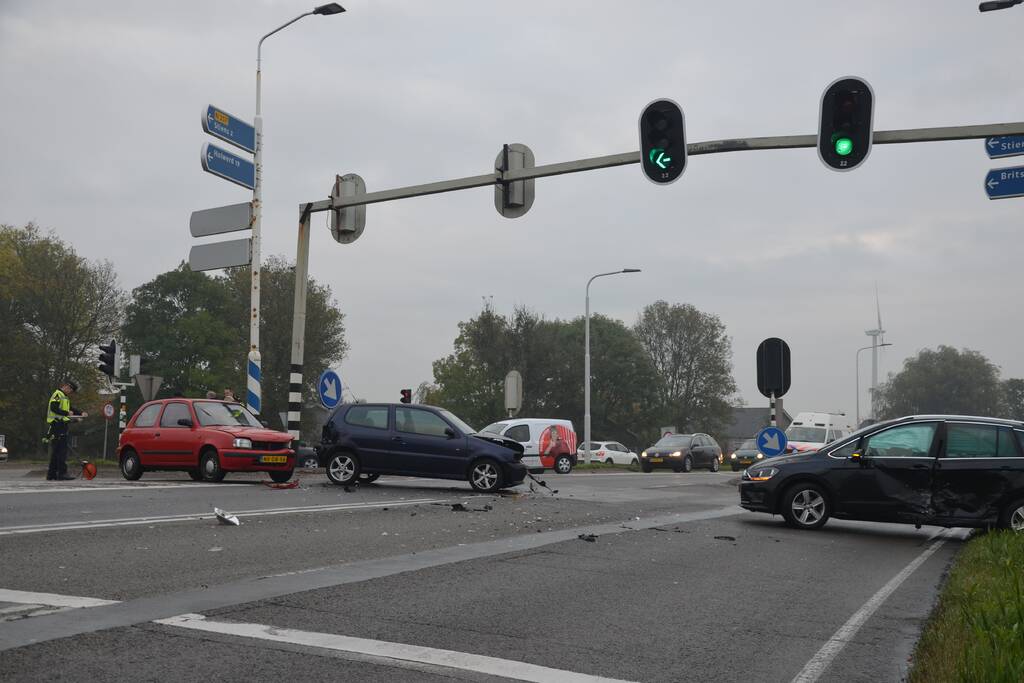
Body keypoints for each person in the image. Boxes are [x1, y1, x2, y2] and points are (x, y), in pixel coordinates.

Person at [46, 379, 87, 480]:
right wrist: (66, 413)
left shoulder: (64, 397)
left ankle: (51, 474)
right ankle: (62, 473)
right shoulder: (58, 394)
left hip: (60, 425)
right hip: (57, 425)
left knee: (56, 451)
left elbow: (71, 409)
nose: (70, 392)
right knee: (61, 451)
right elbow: (54, 408)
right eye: (70, 390)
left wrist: (80, 413)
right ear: (66, 387)